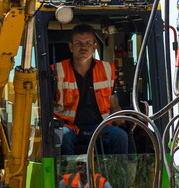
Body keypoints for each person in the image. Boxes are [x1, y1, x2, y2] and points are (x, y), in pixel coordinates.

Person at [52, 26, 129, 155]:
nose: (83, 47)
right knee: (62, 137)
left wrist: (121, 116)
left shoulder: (107, 70)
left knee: (120, 136)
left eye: (88, 43)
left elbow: (113, 104)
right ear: (71, 47)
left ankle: (117, 169)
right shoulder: (56, 72)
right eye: (78, 43)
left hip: (99, 127)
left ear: (94, 47)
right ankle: (67, 169)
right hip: (68, 127)